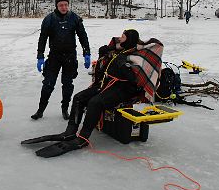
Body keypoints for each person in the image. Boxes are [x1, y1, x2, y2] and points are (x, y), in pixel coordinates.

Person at [40, 29, 164, 157]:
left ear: (129, 39)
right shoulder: (118, 51)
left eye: (123, 36)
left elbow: (134, 80)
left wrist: (122, 65)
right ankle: (70, 131)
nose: (120, 38)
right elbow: (103, 69)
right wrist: (102, 55)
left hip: (124, 89)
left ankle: (83, 138)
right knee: (78, 98)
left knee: (95, 102)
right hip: (107, 84)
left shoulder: (136, 56)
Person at [32, 0, 91, 120]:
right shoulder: (49, 19)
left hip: (70, 56)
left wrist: (87, 52)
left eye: (65, 5)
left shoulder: (74, 18)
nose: (64, 7)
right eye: (61, 5)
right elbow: (42, 38)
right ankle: (40, 110)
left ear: (68, 5)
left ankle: (65, 110)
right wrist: (40, 56)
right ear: (56, 6)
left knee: (68, 84)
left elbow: (83, 36)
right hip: (54, 56)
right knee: (48, 84)